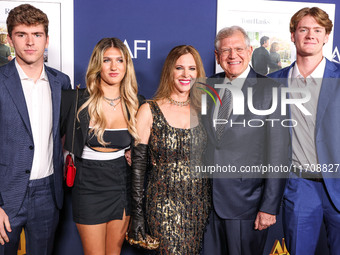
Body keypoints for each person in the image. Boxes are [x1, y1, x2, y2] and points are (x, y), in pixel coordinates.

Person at [202, 26, 289, 255]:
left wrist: (269, 207)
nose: (233, 56)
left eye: (239, 49)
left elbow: (279, 152)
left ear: (250, 51)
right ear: (217, 56)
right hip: (206, 203)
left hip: (247, 205)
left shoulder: (270, 89)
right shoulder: (208, 86)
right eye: (226, 50)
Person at [60, 37, 143, 255]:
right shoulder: (76, 99)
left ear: (127, 65)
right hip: (88, 184)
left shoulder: (137, 102)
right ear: (98, 64)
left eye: (120, 60)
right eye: (107, 60)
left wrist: (133, 152)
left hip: (121, 183)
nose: (114, 67)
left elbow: (146, 147)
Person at [0, 4, 71, 254]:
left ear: (47, 39)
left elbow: (65, 134)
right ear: (10, 39)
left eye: (37, 35)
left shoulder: (61, 82)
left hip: (48, 194)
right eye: (21, 35)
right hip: (5, 196)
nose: (30, 42)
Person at [268, 7, 340, 254]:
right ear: (292, 35)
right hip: (300, 187)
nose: (310, 35)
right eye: (304, 29)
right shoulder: (274, 82)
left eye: (317, 30)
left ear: (327, 36)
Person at [128, 45, 211, 254]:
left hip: (199, 204)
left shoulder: (206, 110)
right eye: (179, 68)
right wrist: (137, 215)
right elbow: (138, 169)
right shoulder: (149, 110)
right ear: (169, 71)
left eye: (192, 69)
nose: (186, 75)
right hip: (162, 204)